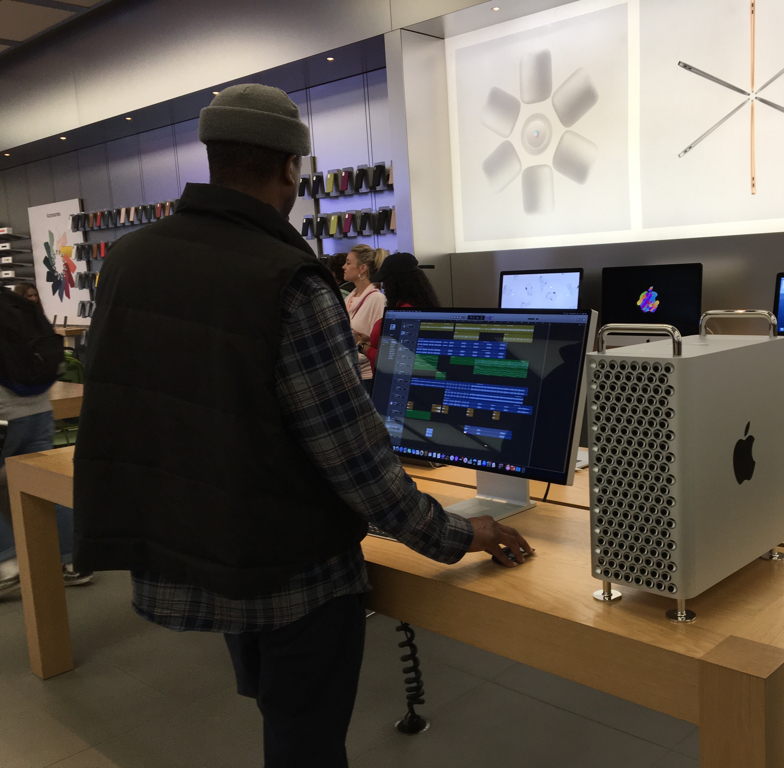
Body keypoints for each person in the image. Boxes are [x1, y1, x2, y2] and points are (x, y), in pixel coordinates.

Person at [72, 84, 531, 768]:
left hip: (200, 546)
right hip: (291, 574)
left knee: (282, 721)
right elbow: (356, 461)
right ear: (292, 167)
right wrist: (461, 533)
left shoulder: (129, 262)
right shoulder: (289, 280)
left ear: (212, 154)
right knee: (306, 742)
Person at [0, 287, 91, 596]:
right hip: (39, 408)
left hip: (3, 415)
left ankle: (6, 566)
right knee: (43, 485)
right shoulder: (14, 302)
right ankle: (72, 562)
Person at [364, 251, 440, 374]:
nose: (383, 287)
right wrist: (369, 340)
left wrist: (363, 348)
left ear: (396, 283)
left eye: (386, 282)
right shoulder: (419, 307)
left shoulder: (405, 314)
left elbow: (394, 359)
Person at [342, 244, 387, 393]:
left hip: (367, 378)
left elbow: (380, 342)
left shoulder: (377, 299)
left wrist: (357, 343)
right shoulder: (349, 298)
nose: (343, 267)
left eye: (348, 263)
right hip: (350, 375)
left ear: (362, 268)